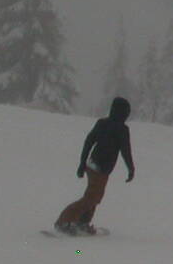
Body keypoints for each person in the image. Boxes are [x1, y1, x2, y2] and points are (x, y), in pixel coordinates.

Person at [54, 96, 135, 235]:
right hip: (99, 168)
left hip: (94, 166)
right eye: (126, 112)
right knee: (92, 198)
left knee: (94, 197)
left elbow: (89, 142)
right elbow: (125, 151)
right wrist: (131, 168)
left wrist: (82, 163)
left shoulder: (103, 123)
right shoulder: (122, 129)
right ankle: (64, 222)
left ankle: (82, 223)